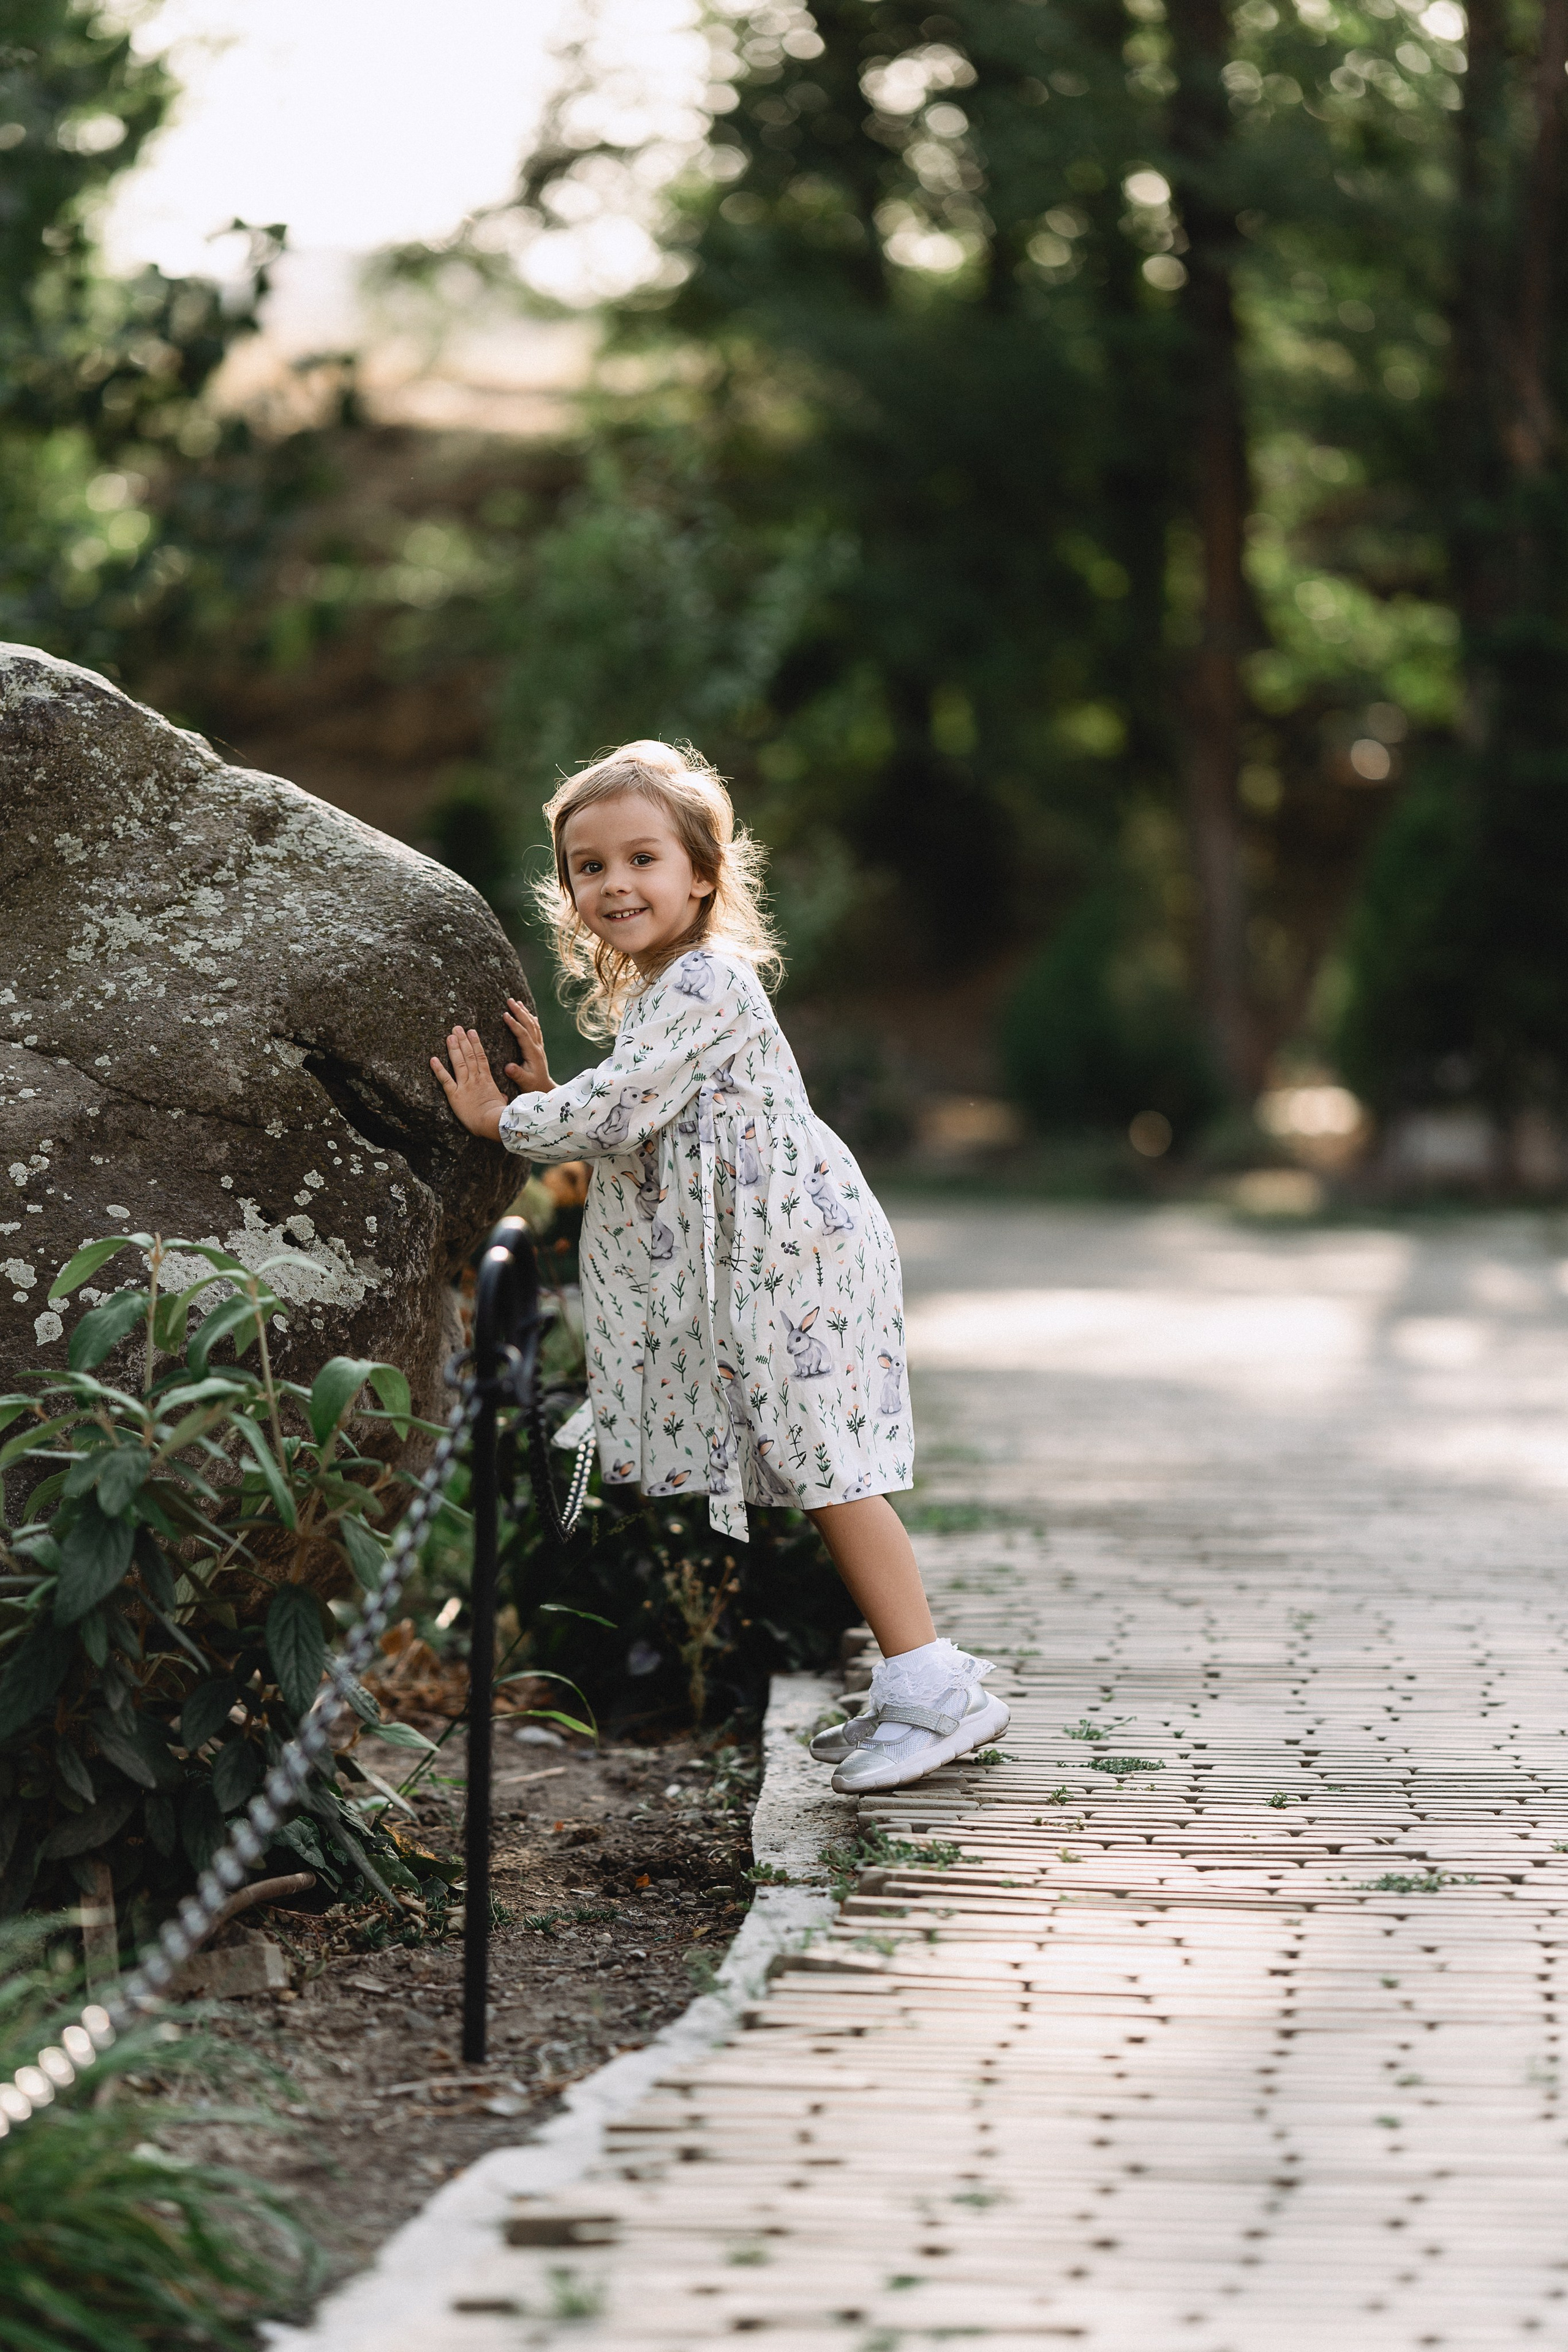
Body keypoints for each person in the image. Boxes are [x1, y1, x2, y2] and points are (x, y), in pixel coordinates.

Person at [430, 738, 1007, 1793]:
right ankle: (920, 1670)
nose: (615, 884)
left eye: (642, 859)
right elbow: (637, 1112)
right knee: (811, 1457)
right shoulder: (664, 993)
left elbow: (620, 1109)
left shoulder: (708, 979)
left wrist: (501, 1115)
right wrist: (560, 1090)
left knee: (830, 1464)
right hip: (769, 1253)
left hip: (792, 1254)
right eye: (589, 867)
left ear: (702, 874)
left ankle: (932, 1688)